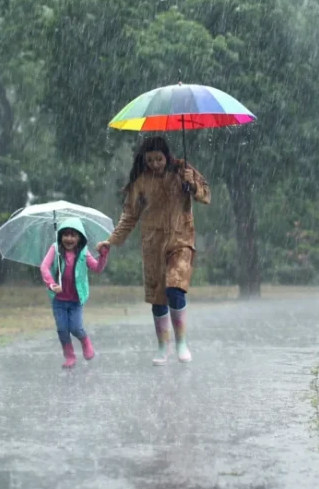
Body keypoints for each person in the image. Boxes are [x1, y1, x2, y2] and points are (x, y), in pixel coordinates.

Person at [96, 136, 210, 365]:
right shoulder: (140, 182)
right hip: (153, 244)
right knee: (158, 297)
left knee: (175, 289)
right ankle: (162, 346)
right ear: (144, 160)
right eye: (150, 160)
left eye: (159, 159)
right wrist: (111, 240)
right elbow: (129, 216)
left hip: (181, 240)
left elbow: (206, 196)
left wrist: (193, 185)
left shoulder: (182, 171)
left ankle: (181, 342)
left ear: (166, 156)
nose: (155, 164)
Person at [40, 217, 109, 369]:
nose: (69, 238)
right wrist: (51, 284)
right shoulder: (55, 249)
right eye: (65, 234)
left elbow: (97, 268)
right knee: (62, 330)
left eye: (73, 235)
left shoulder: (83, 252)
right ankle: (69, 356)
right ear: (60, 236)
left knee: (76, 328)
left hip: (75, 300)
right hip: (59, 299)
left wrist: (103, 256)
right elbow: (44, 267)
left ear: (80, 238)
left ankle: (85, 342)